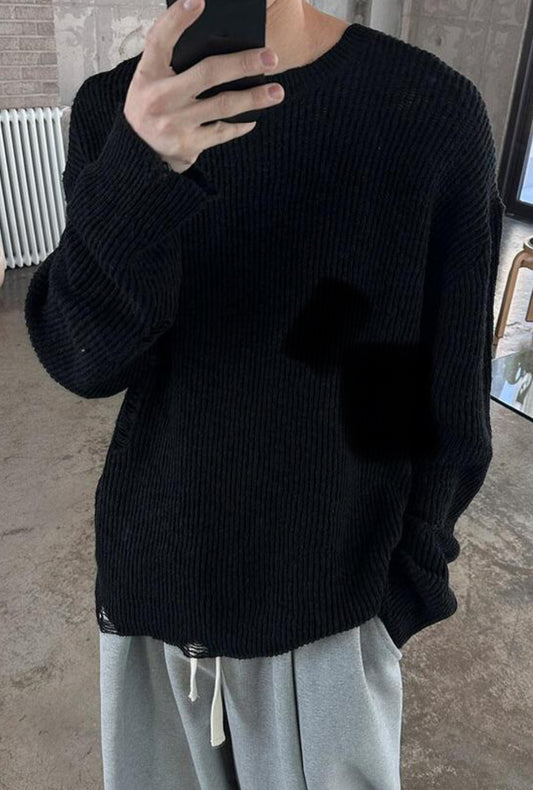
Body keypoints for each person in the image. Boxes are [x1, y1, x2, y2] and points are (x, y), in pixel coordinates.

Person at [24, 0, 505, 786]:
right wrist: (138, 169)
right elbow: (86, 360)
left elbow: (445, 389)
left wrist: (405, 588)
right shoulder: (117, 110)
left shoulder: (426, 113)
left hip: (334, 603)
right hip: (159, 583)